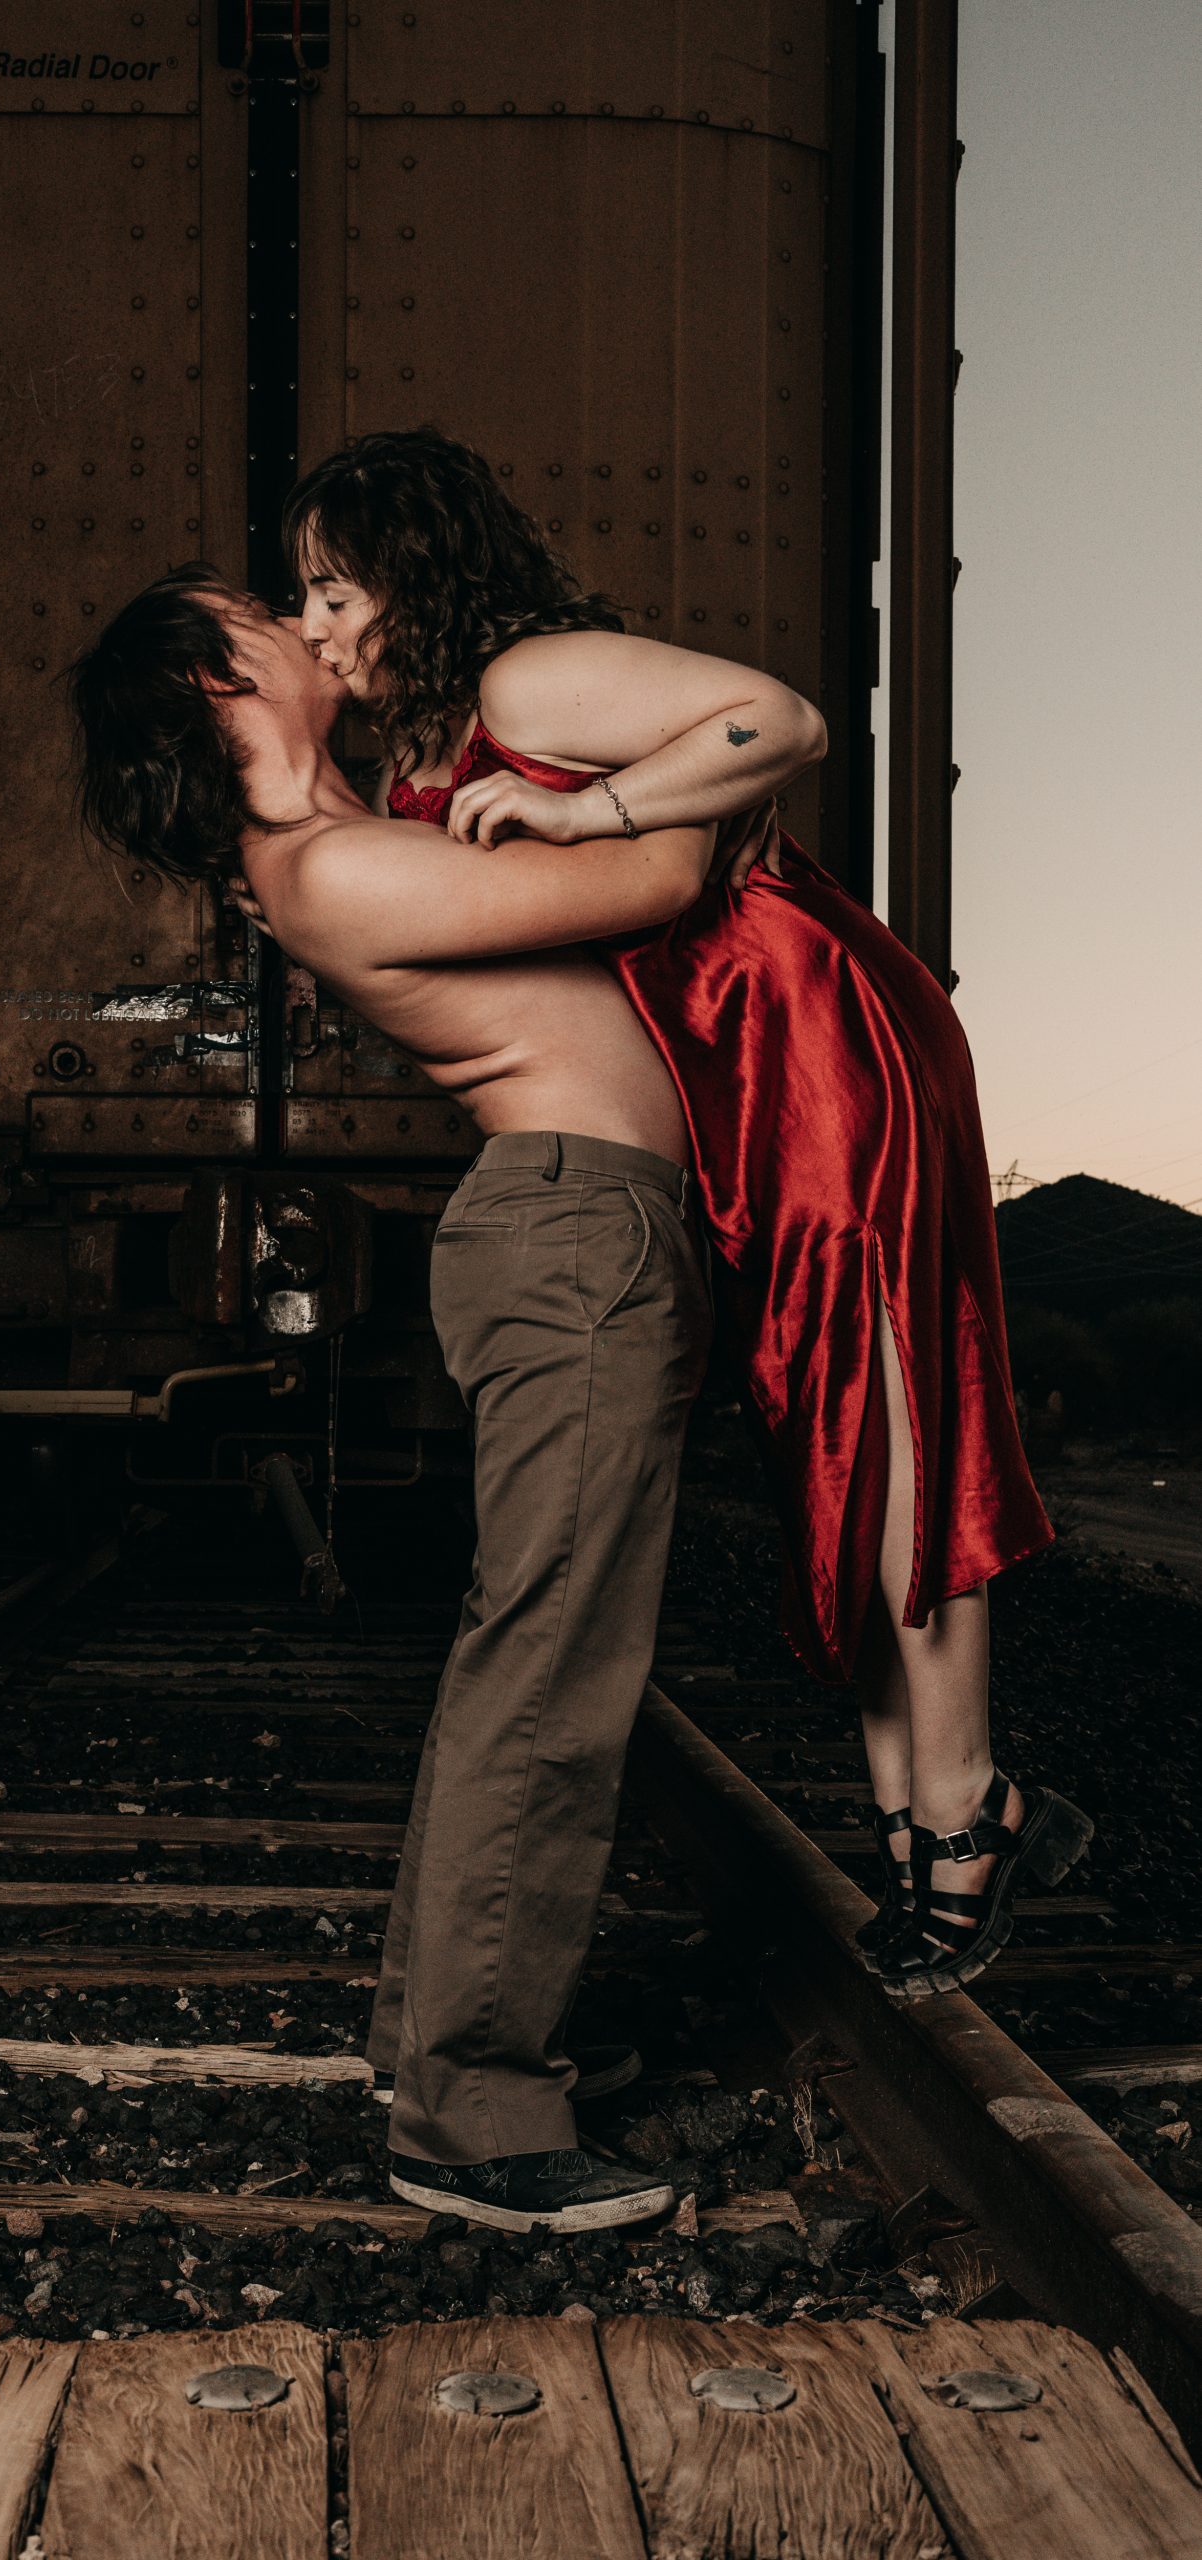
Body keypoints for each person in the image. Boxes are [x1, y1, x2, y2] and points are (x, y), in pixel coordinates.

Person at [277, 425, 1093, 1999]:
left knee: (888, 1421)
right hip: (729, 1078)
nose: (314, 624)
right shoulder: (431, 737)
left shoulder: (528, 681)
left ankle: (964, 1814)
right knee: (826, 1432)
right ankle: (935, 1816)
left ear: (412, 574)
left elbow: (773, 719)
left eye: (330, 589)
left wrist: (589, 817)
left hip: (813, 1043)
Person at [73, 566, 727, 2231]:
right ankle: (475, 2122)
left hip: (590, 1225)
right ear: (222, 688)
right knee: (555, 1660)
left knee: (531, 1645)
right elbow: (662, 874)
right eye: (260, 617)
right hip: (576, 1231)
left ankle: (435, 2050)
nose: (305, 627)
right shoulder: (339, 864)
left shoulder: (362, 830)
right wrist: (717, 749)